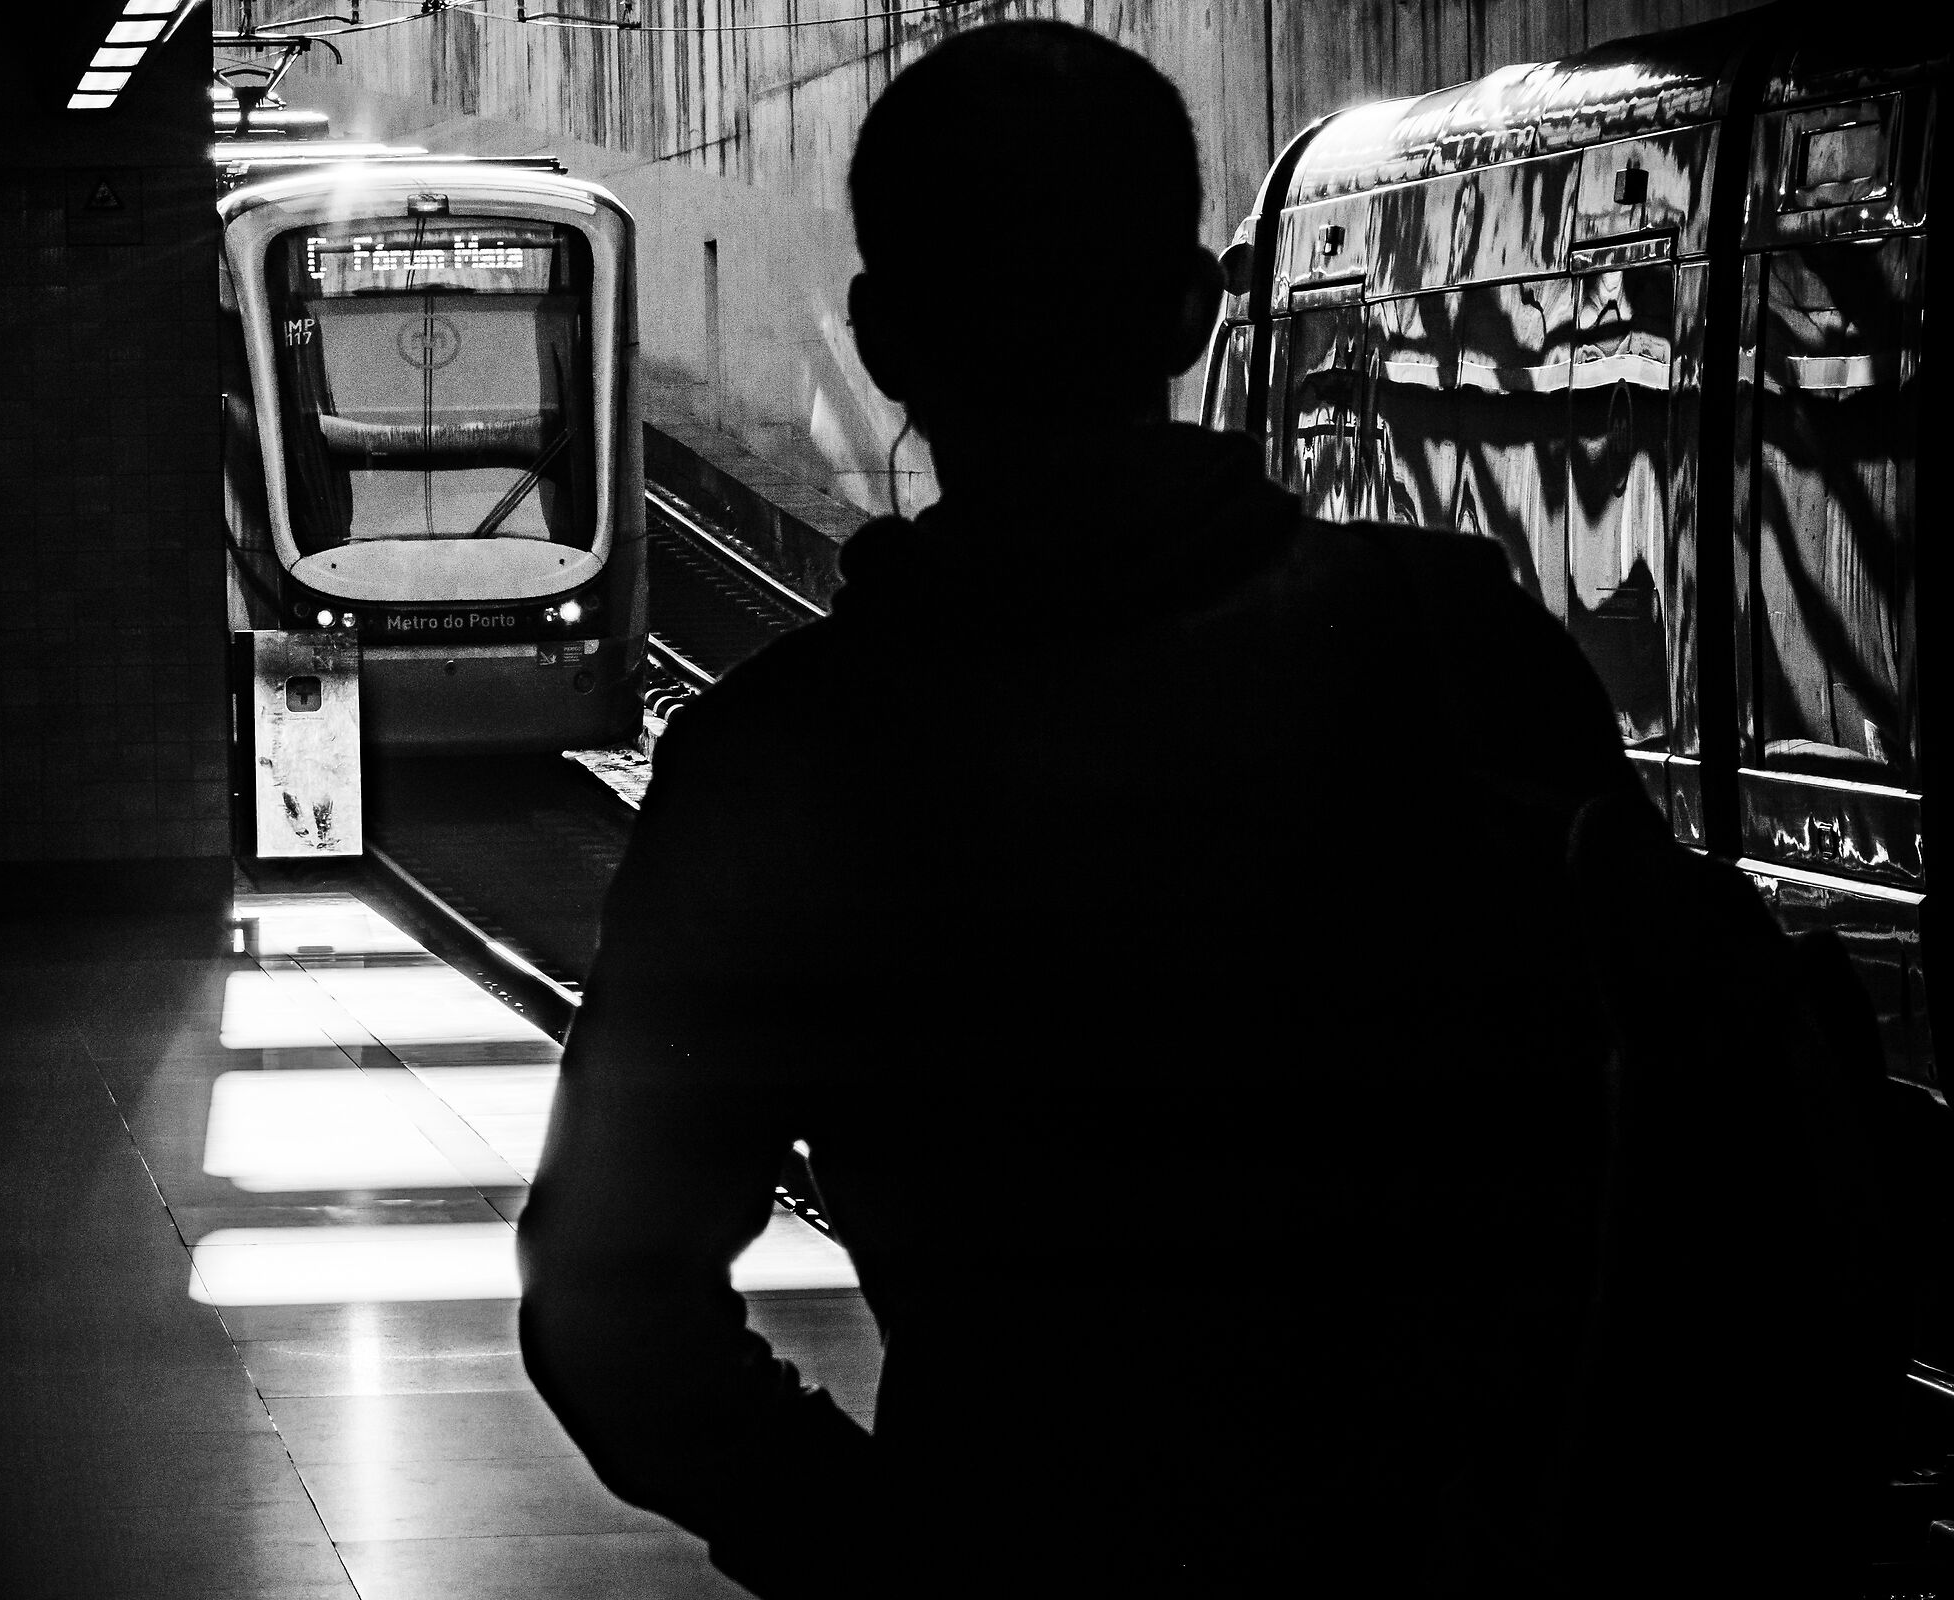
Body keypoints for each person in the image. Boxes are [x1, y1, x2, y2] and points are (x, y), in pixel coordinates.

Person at [518, 21, 1642, 1597]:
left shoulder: (786, 765)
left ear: (883, 341)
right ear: (1191, 313)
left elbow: (605, 1298)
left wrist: (891, 1555)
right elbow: (1670, 1160)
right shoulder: (1458, 661)